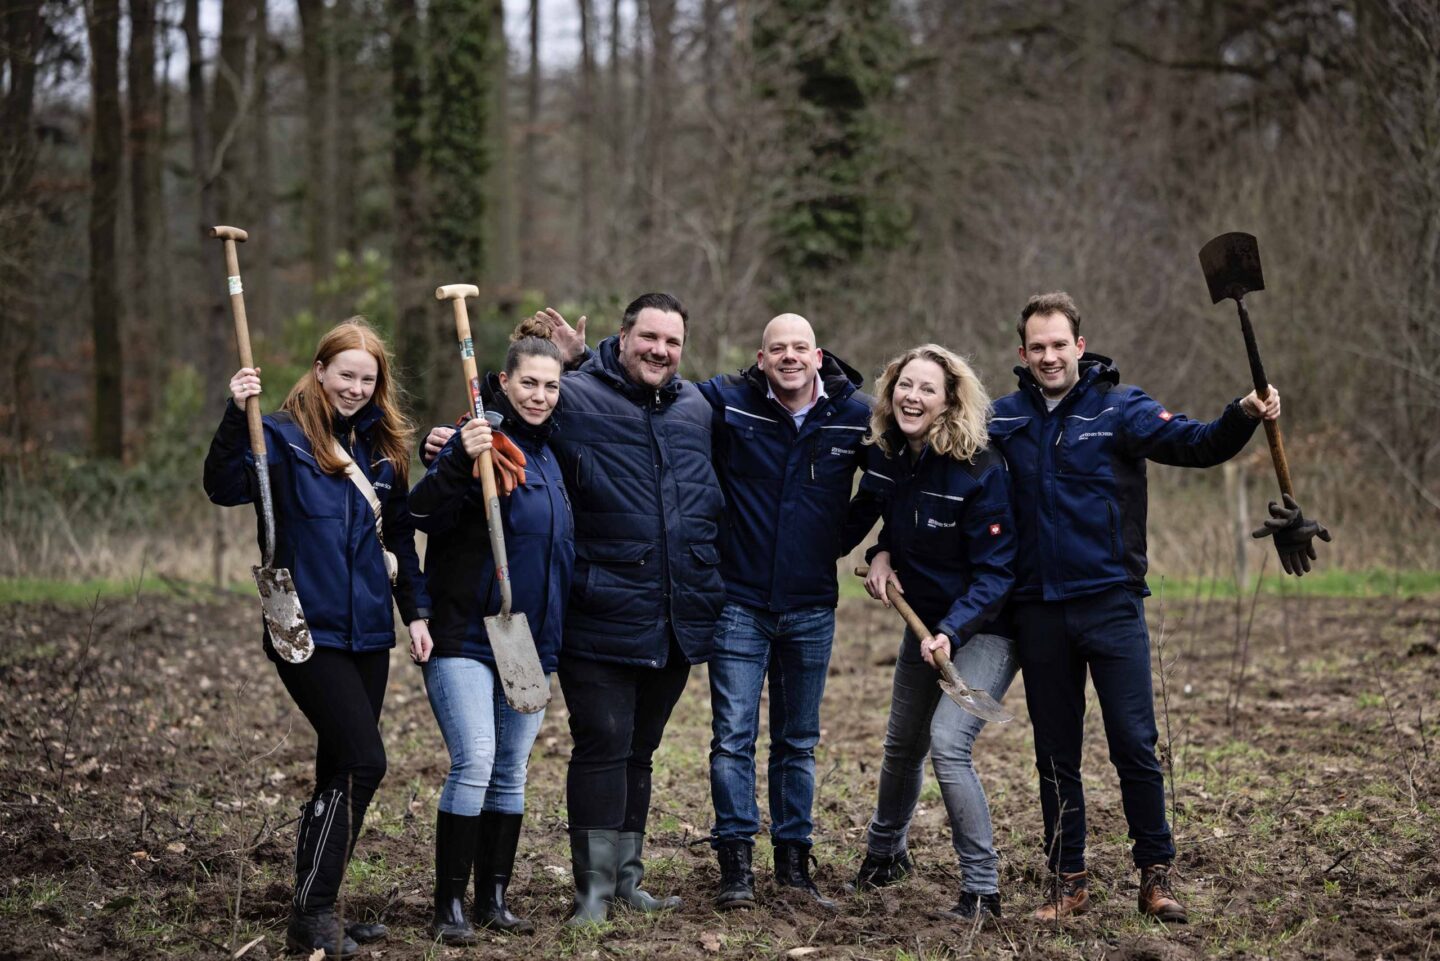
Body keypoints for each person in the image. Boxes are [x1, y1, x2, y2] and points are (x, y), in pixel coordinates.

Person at [424, 293, 725, 925]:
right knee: (604, 742)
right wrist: (454, 440)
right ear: (623, 336)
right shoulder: (575, 394)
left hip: (673, 614)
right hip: (595, 611)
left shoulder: (697, 404)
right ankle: (590, 891)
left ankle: (625, 880)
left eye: (672, 342)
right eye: (648, 337)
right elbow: (509, 405)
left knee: (641, 748)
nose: (660, 351)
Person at [988, 292, 1282, 923]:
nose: (1048, 357)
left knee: (1134, 746)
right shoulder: (1002, 421)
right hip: (1038, 610)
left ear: (1079, 346)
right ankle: (1067, 883)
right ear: (1022, 353)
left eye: (1058, 345)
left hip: (1111, 604)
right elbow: (952, 487)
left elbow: (1196, 444)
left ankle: (1156, 877)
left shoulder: (1121, 408)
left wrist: (1243, 414)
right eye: (1036, 347)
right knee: (1054, 754)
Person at [204, 318, 431, 958]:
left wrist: (414, 612)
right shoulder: (277, 436)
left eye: (368, 378)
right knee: (366, 761)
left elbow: (400, 543)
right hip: (300, 624)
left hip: (366, 632)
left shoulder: (386, 452)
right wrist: (234, 411)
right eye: (346, 375)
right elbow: (221, 487)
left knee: (338, 764)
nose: (355, 388)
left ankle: (313, 903)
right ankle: (317, 910)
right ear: (321, 370)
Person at [694, 313, 872, 911]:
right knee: (732, 738)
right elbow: (653, 388)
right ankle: (736, 866)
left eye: (800, 347)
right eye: (778, 349)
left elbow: (895, 481)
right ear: (762, 357)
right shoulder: (729, 402)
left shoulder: (855, 415)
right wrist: (589, 356)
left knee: (798, 741)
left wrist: (850, 543)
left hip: (810, 608)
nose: (789, 357)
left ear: (819, 355)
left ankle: (794, 866)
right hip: (738, 604)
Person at [408, 321, 572, 943]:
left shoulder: (553, 455)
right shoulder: (474, 446)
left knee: (511, 770)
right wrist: (453, 457)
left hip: (528, 640)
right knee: (475, 759)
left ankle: (492, 900)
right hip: (466, 634)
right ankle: (448, 906)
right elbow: (420, 512)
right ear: (502, 382)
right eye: (528, 382)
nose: (539, 395)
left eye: (551, 385)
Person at [846, 344, 1017, 922]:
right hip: (922, 626)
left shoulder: (979, 466)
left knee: (948, 743)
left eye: (926, 389)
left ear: (949, 402)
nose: (911, 397)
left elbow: (998, 572)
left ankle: (982, 889)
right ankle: (885, 852)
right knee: (902, 745)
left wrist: (950, 630)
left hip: (985, 630)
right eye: (904, 386)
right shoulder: (895, 458)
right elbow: (898, 529)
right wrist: (881, 553)